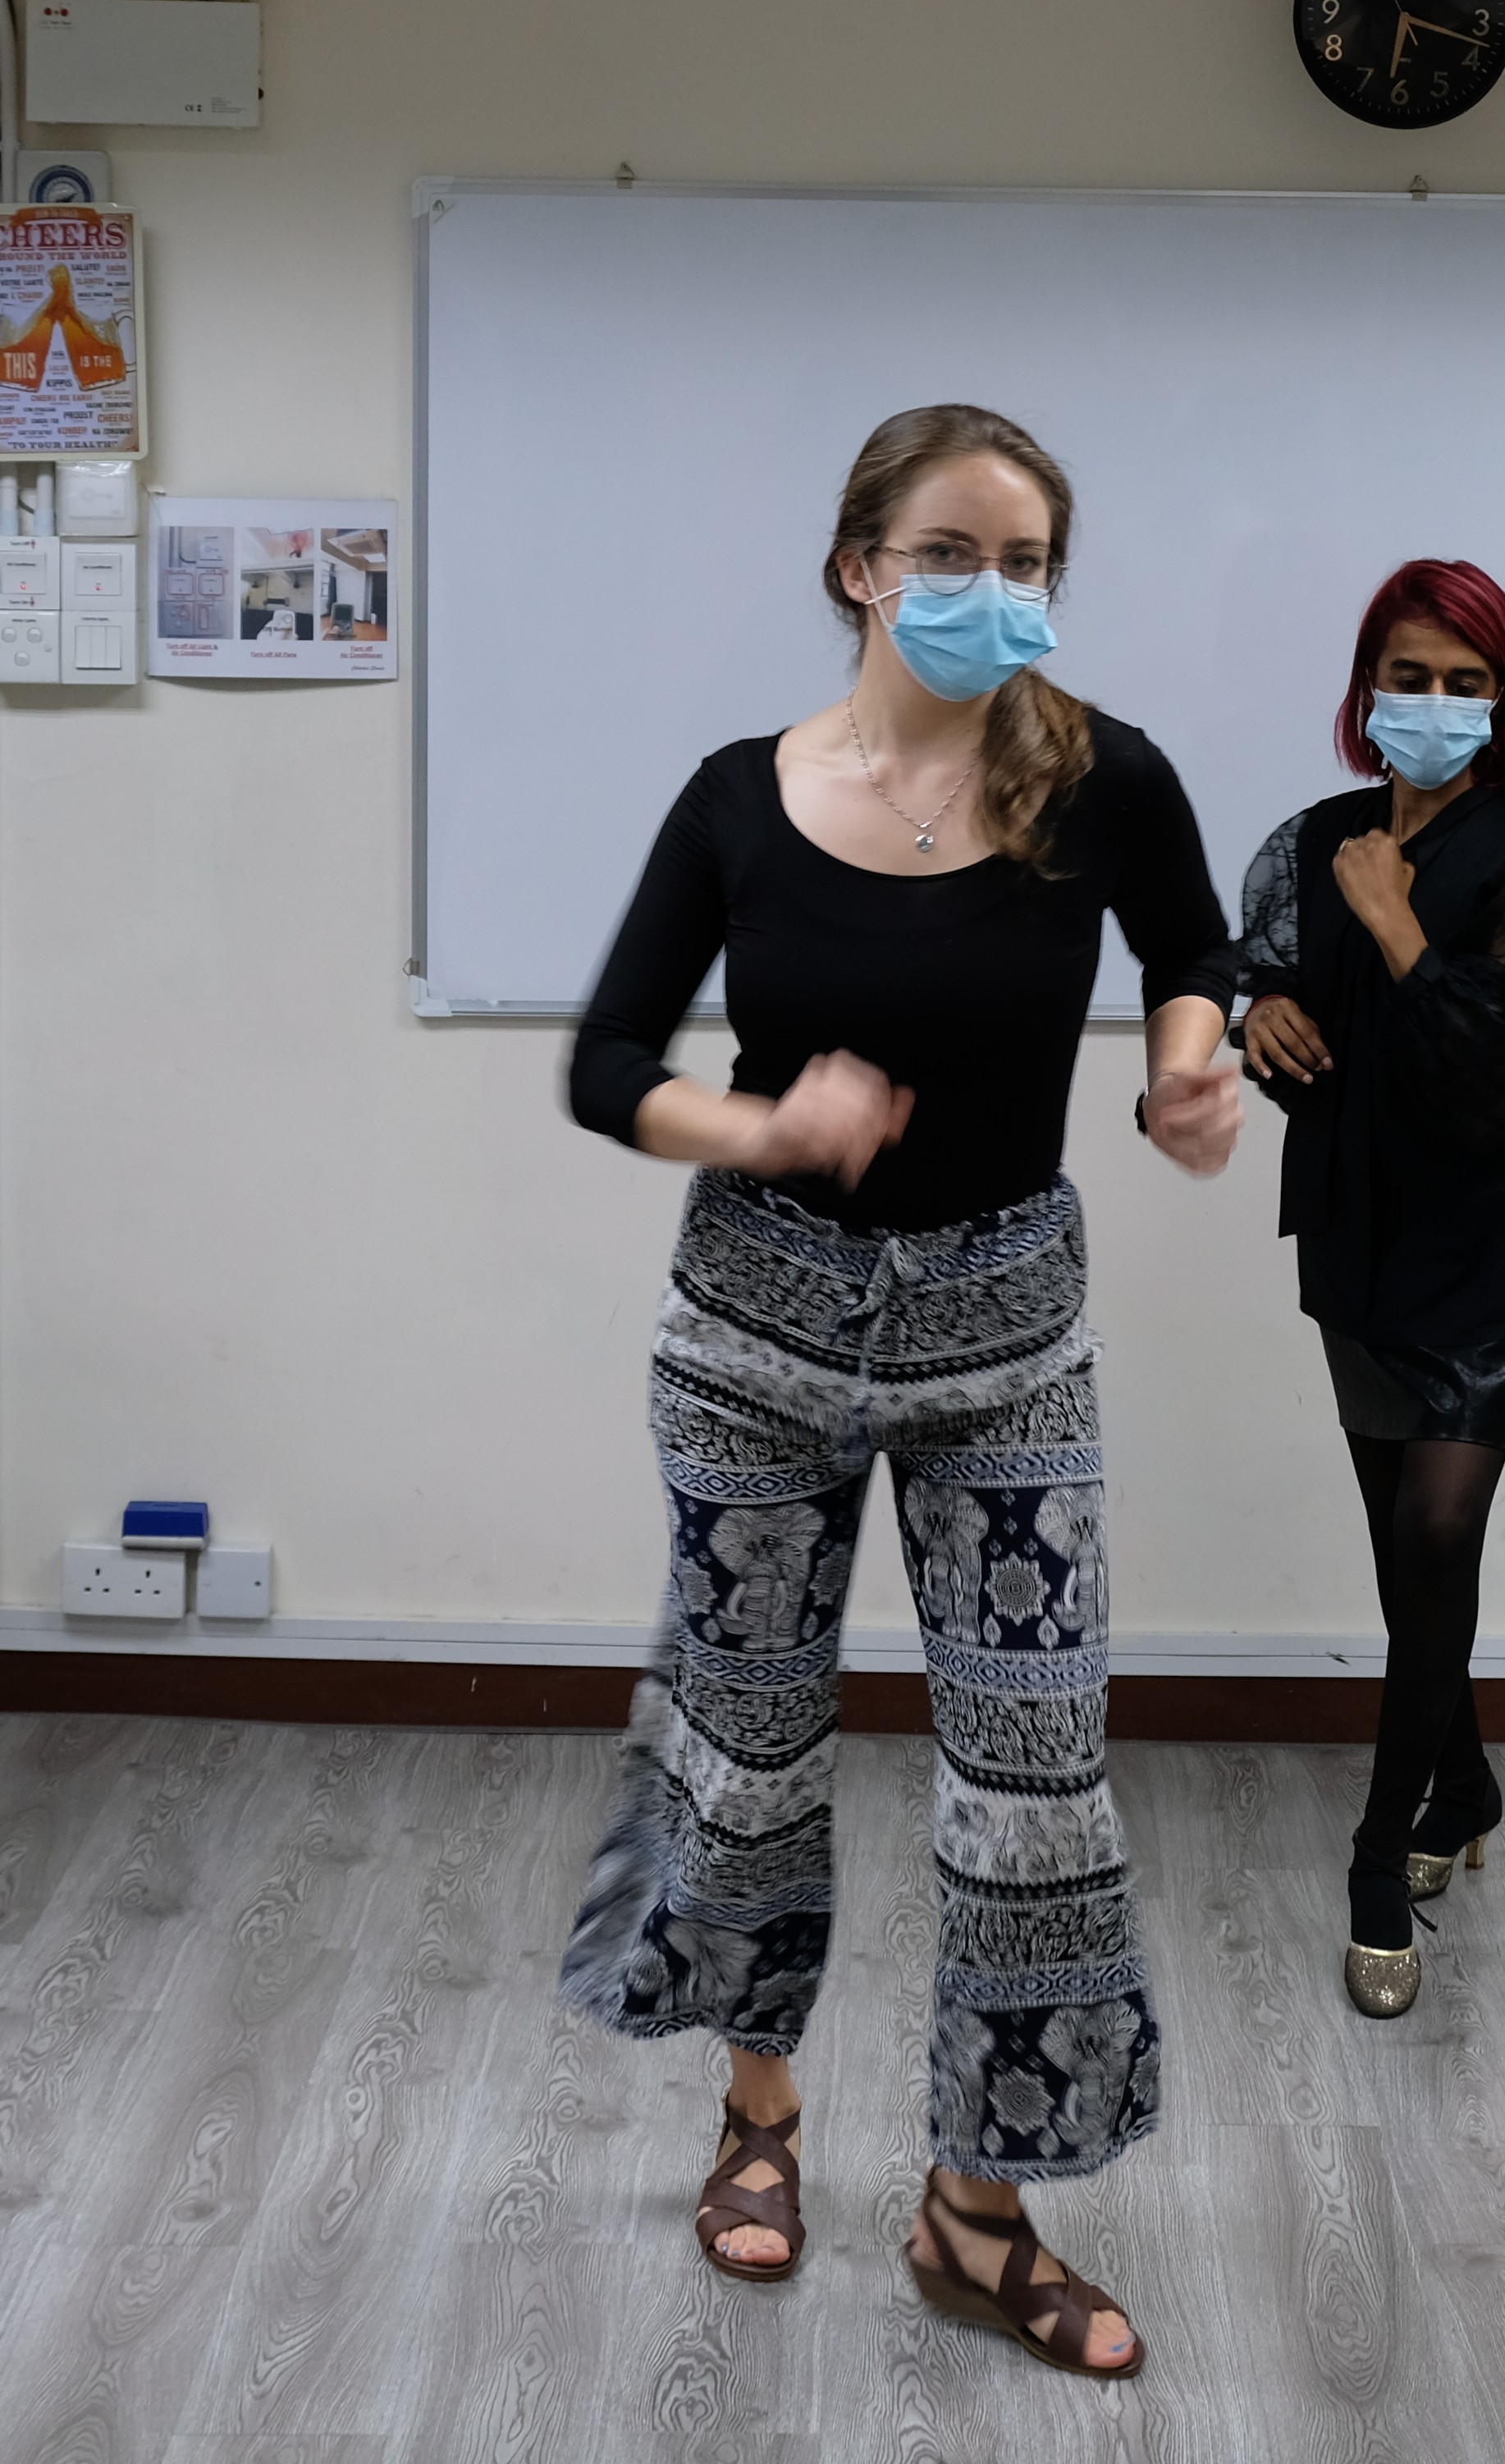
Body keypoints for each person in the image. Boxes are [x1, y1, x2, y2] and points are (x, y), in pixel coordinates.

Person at [556, 402, 1240, 2384]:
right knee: (753, 1738)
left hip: (1006, 1325)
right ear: (862, 565)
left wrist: (1186, 1057)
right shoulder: (736, 797)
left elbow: (1192, 945)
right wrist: (764, 1124)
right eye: (954, 553)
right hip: (758, 1328)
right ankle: (758, 2120)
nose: (994, 593)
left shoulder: (1106, 779)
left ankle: (981, 2206)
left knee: (1037, 1775)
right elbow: (609, 1061)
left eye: (1028, 562)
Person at [1233, 558, 1505, 2019]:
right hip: (1363, 1247)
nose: (1431, 704)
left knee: (1440, 1527)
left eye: (1464, 683)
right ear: (1365, 688)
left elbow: (1495, 1067)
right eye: (1408, 675)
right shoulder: (1311, 838)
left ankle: (1382, 1856)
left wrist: (1393, 919)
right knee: (1407, 1553)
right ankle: (1466, 1783)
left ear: (1502, 703)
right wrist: (1259, 1010)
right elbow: (1246, 982)